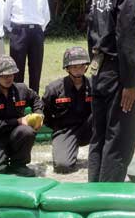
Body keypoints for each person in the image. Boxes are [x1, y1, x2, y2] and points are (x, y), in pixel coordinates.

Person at [86, 0, 135, 182]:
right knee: (119, 139)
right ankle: (108, 201)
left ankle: (93, 197)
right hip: (120, 74)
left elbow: (90, 35)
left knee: (99, 136)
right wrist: (129, 83)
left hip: (98, 71)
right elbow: (128, 43)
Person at [0, 54, 43, 177]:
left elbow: (36, 99)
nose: (9, 78)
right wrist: (17, 121)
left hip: (17, 134)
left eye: (11, 74)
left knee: (27, 131)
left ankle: (19, 164)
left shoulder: (21, 89)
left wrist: (39, 114)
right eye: (4, 76)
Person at [42, 46, 92, 174]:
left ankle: (102, 152)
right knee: (62, 166)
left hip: (89, 127)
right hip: (65, 130)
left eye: (81, 66)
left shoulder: (94, 86)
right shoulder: (54, 89)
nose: (78, 70)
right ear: (67, 68)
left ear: (86, 66)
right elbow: (45, 112)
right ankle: (66, 147)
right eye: (74, 67)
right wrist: (57, 128)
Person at [4, 0, 50, 94]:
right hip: (19, 32)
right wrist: (14, 31)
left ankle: (34, 97)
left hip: (36, 32)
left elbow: (46, 16)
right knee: (17, 68)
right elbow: (6, 17)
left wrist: (38, 29)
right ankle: (18, 98)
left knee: (36, 67)